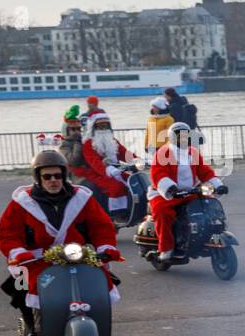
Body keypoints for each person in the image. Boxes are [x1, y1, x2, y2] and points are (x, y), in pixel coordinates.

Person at [0, 150, 121, 336]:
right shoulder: (21, 203)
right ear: (38, 178)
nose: (53, 180)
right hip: (36, 259)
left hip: (77, 255)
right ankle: (34, 332)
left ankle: (100, 324)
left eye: (58, 175)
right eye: (47, 176)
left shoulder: (82, 198)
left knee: (106, 279)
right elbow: (7, 234)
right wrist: (18, 252)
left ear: (64, 176)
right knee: (21, 287)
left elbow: (101, 227)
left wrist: (106, 247)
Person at [149, 121, 226, 262]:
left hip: (190, 192)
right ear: (172, 137)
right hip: (165, 194)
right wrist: (170, 188)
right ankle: (166, 248)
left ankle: (202, 238)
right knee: (163, 213)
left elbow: (205, 172)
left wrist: (217, 184)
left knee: (208, 206)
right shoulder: (163, 153)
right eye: (179, 136)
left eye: (185, 135)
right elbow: (158, 174)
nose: (183, 139)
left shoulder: (193, 152)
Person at [80, 112, 138, 214]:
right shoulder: (88, 144)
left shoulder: (112, 140)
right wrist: (109, 170)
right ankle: (117, 213)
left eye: (106, 125)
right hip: (97, 173)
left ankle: (134, 209)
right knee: (115, 186)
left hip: (116, 171)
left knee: (134, 182)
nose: (104, 128)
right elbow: (95, 162)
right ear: (94, 127)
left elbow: (124, 153)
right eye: (100, 125)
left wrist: (138, 160)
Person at [56, 106, 86, 173]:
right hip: (75, 175)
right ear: (66, 131)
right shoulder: (63, 145)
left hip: (88, 171)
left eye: (78, 129)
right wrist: (77, 143)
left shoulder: (83, 140)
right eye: (73, 129)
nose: (77, 132)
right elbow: (74, 162)